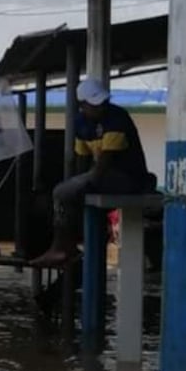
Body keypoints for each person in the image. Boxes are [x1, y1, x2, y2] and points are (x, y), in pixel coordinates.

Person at [30, 78, 151, 266]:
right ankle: (73, 244)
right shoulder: (81, 124)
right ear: (82, 105)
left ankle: (63, 248)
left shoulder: (117, 118)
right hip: (104, 176)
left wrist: (80, 185)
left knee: (62, 192)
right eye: (95, 104)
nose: (101, 107)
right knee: (67, 192)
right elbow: (82, 159)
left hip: (128, 177)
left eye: (102, 102)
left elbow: (105, 161)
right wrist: (76, 183)